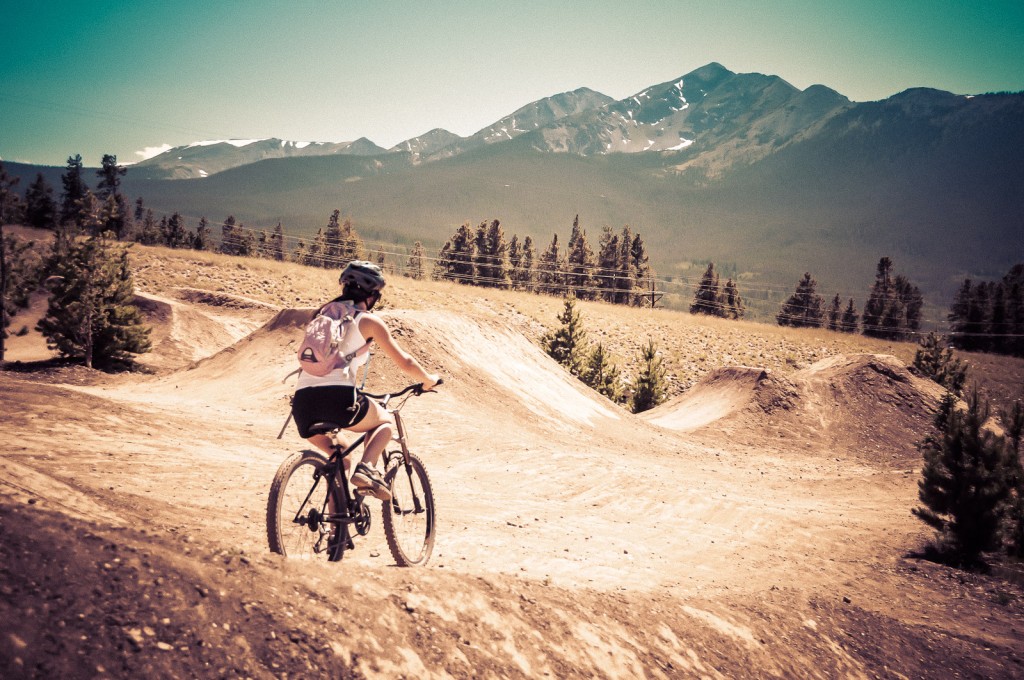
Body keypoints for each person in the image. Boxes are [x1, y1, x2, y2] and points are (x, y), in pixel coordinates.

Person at [291, 260, 439, 500]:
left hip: (302, 404)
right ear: (372, 295)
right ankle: (367, 469)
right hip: (338, 400)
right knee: (384, 421)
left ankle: (335, 533)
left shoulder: (322, 314)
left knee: (340, 459)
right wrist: (428, 379)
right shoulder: (368, 320)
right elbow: (406, 363)